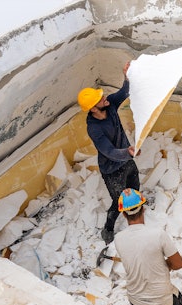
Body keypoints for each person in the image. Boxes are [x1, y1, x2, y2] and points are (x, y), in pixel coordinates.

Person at [78, 60, 140, 244]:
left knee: (135, 187)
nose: (105, 97)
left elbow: (124, 92)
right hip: (112, 169)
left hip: (126, 160)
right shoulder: (94, 128)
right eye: (100, 98)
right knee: (119, 202)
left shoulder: (110, 104)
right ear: (93, 108)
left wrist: (126, 76)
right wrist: (128, 152)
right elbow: (109, 151)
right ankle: (108, 229)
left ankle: (137, 215)